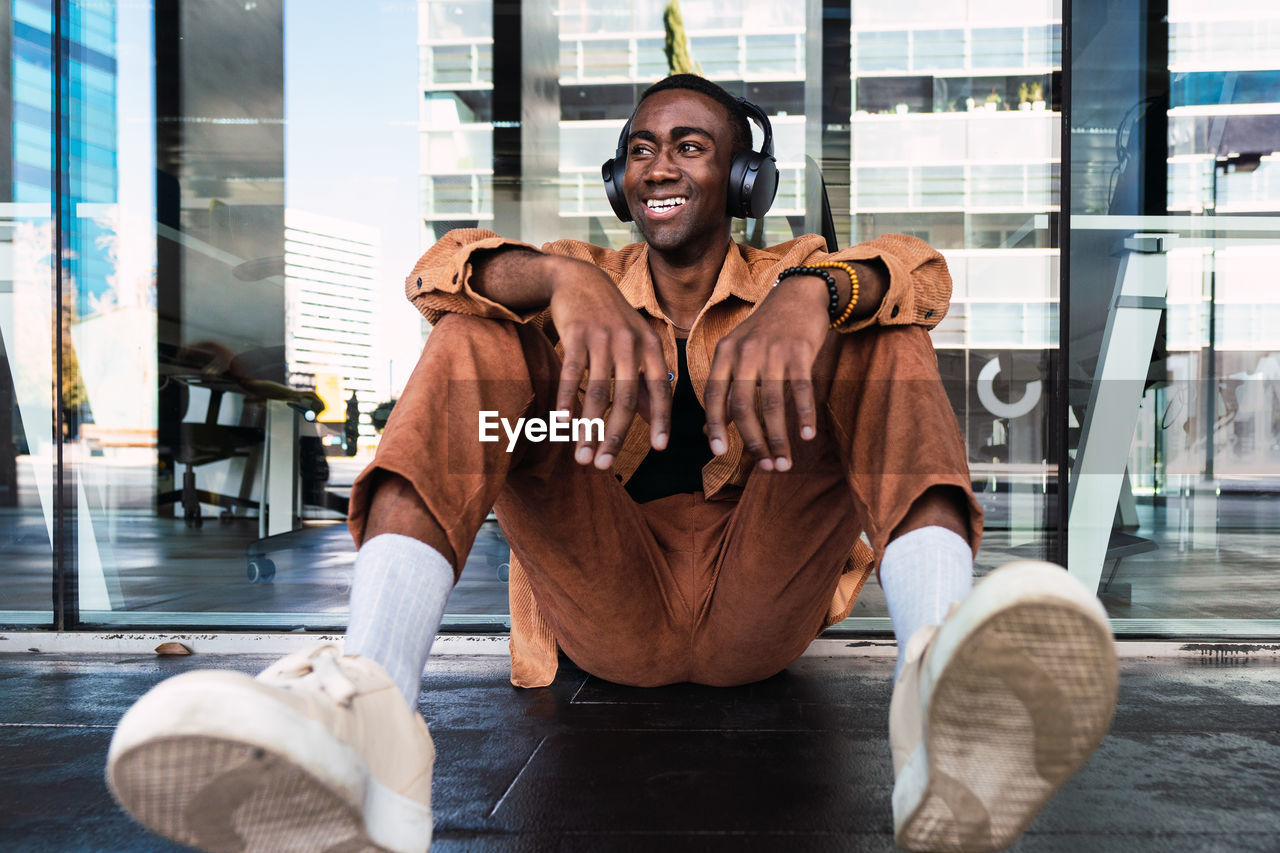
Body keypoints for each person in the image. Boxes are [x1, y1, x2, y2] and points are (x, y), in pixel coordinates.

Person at [105, 75, 1118, 853]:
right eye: (639, 149)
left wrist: (814, 295)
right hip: (609, 600)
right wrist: (553, 279)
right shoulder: (577, 276)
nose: (659, 166)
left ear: (743, 179)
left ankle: (935, 707)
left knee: (877, 328)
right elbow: (432, 275)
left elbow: (921, 275)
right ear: (618, 180)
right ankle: (368, 716)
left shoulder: (789, 269)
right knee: (474, 333)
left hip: (756, 587)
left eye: (690, 145)